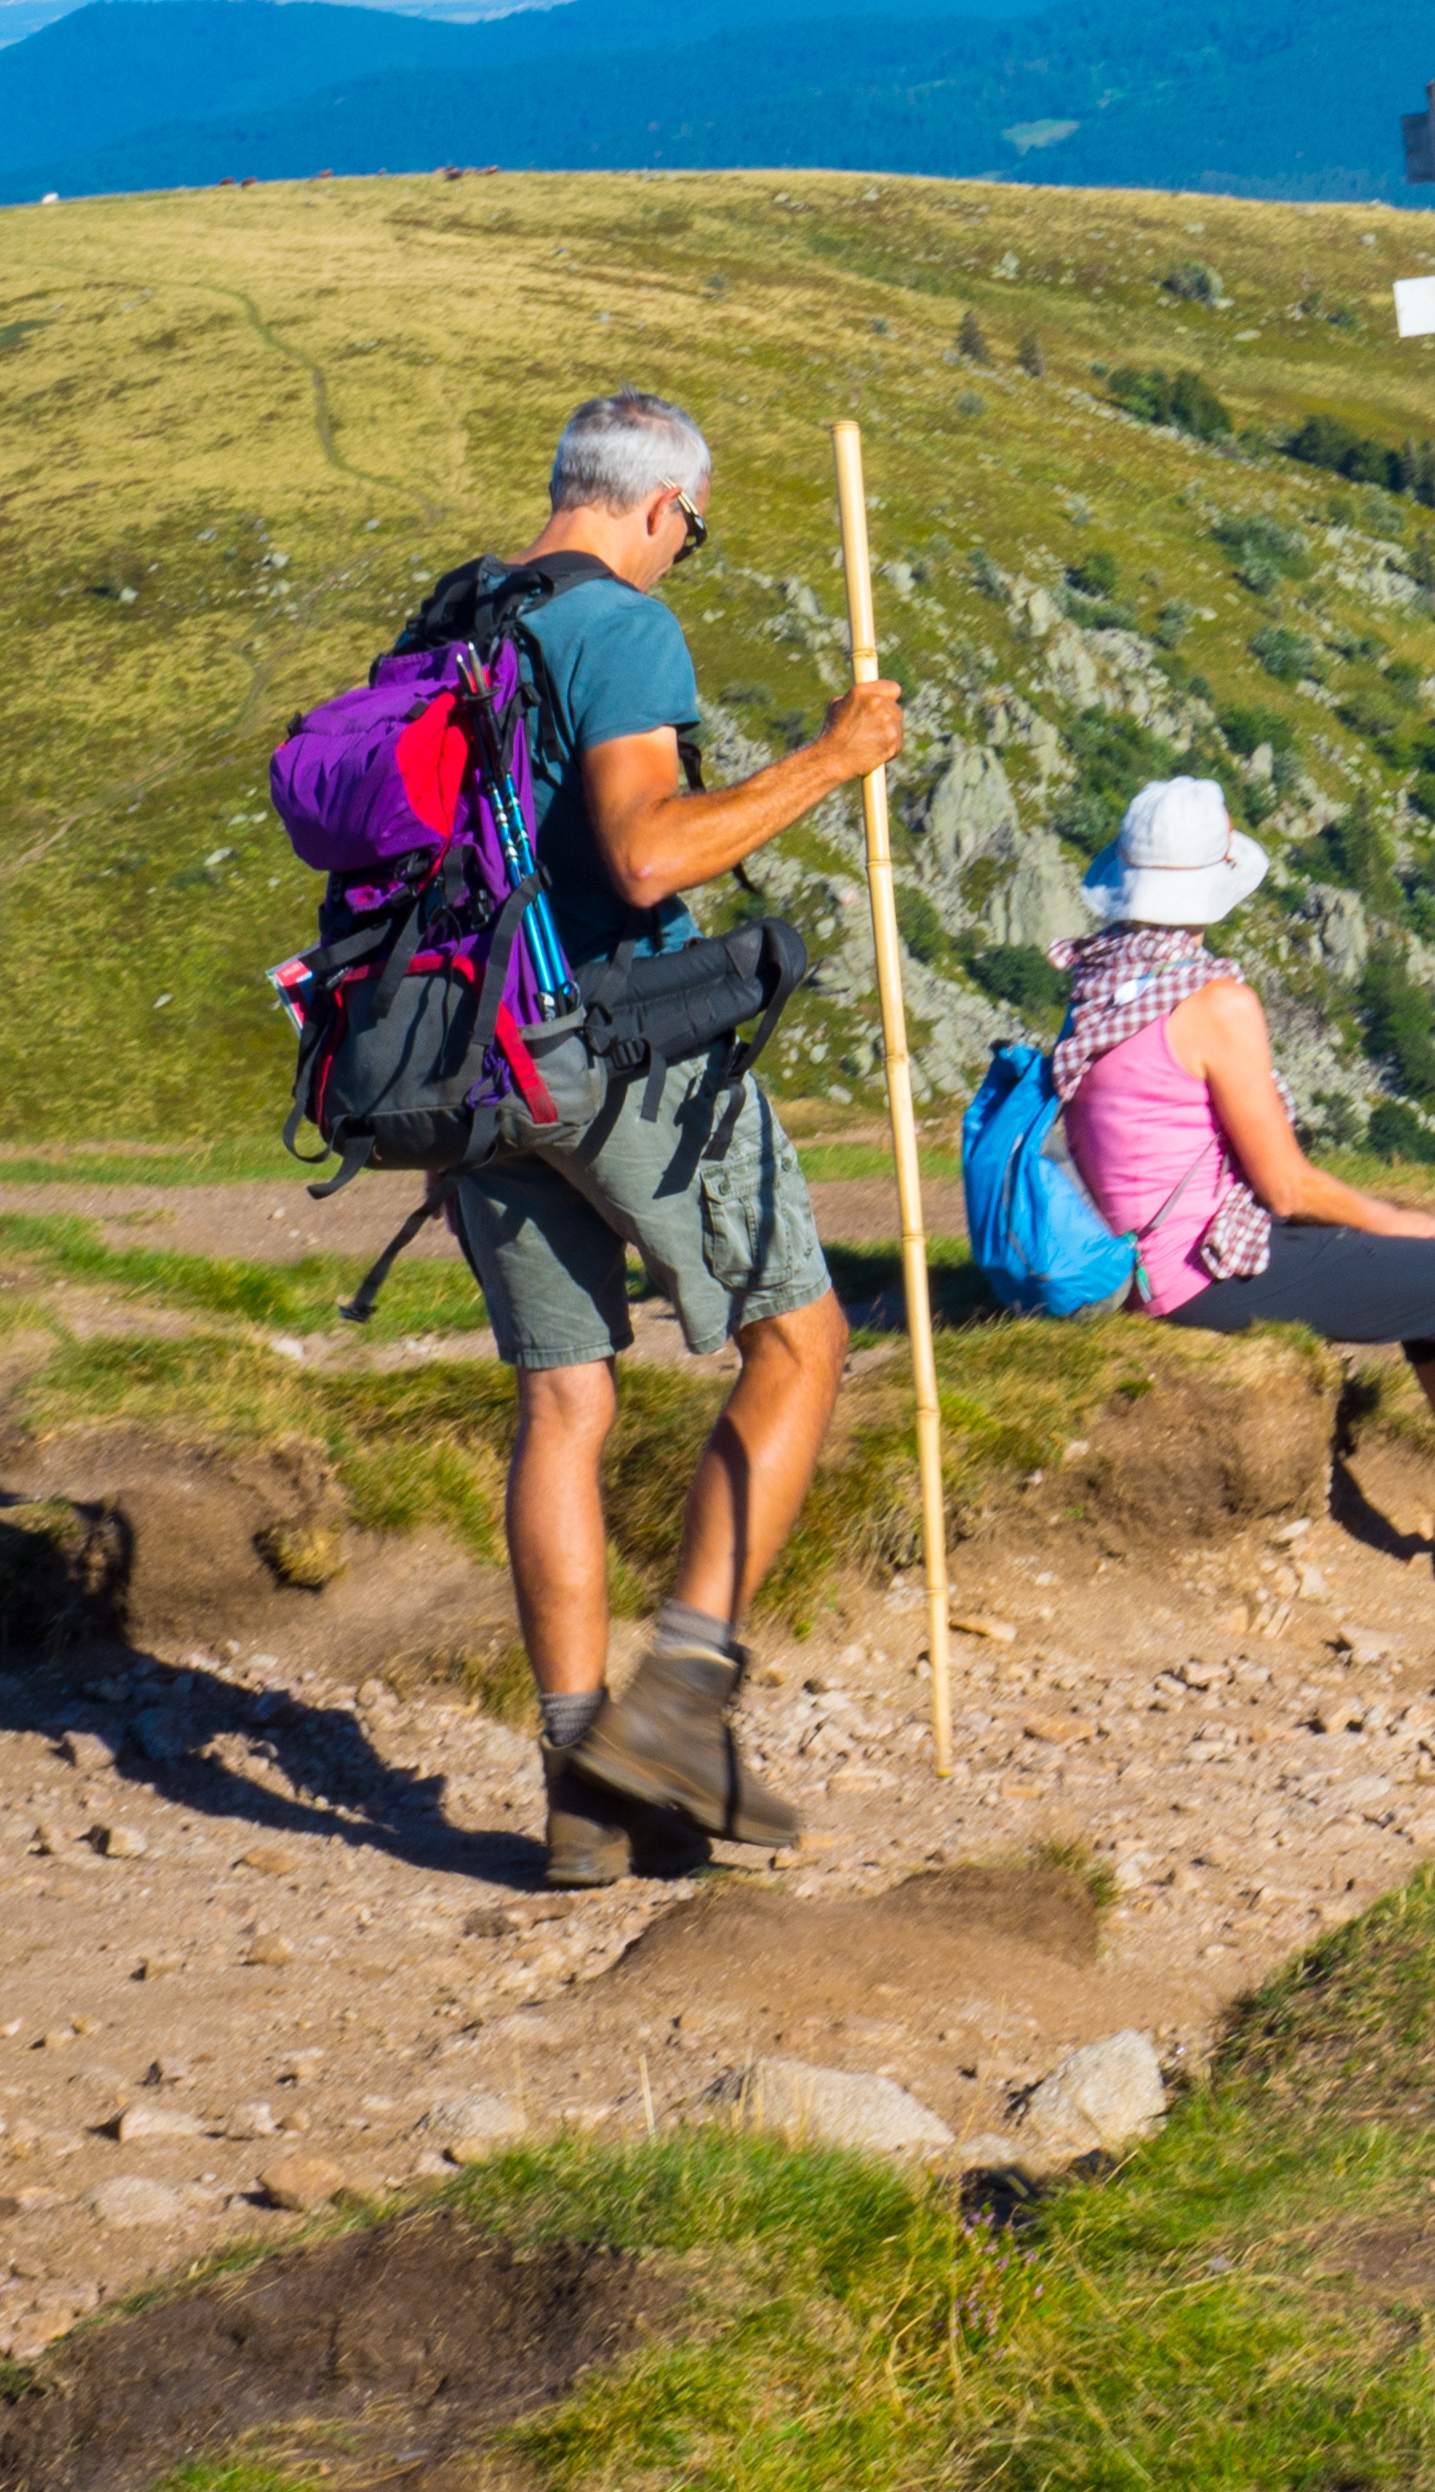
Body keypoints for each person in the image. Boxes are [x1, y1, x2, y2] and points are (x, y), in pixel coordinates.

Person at [440, 389, 904, 1886]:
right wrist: (831, 762)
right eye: (691, 533)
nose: (683, 554)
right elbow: (646, 857)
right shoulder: (617, 625)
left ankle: (581, 1789)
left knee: (565, 1406)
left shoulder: (456, 621)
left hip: (466, 1060)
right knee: (801, 1339)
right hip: (608, 1044)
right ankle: (683, 1704)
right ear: (658, 508)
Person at [1051, 778, 1435, 1623]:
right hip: (1200, 1275)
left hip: (1142, 1262)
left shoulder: (1099, 981)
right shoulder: (1212, 1001)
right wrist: (1393, 1218)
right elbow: (1285, 1183)